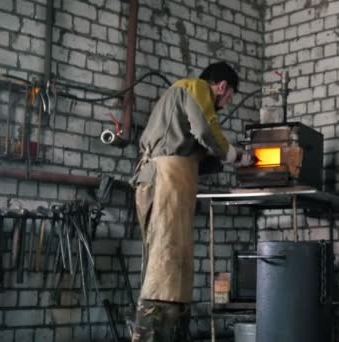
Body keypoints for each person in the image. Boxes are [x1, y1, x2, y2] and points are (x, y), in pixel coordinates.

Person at [130, 61, 255, 342]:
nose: (226, 103)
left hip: (168, 182)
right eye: (230, 97)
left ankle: (172, 333)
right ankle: (151, 335)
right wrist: (235, 154)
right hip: (164, 181)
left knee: (174, 265)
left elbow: (199, 149)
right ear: (222, 87)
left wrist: (227, 158)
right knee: (165, 265)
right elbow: (207, 131)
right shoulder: (195, 88)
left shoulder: (179, 111)